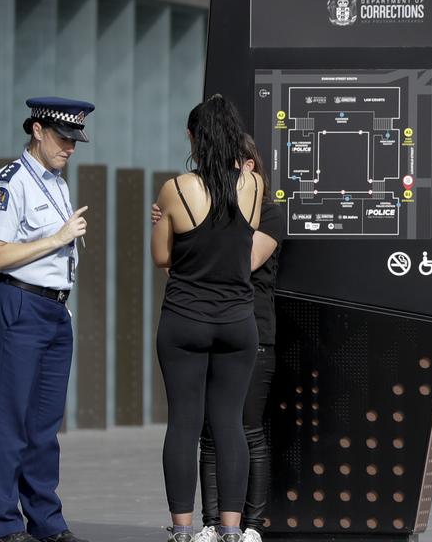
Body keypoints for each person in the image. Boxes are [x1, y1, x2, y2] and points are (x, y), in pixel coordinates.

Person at [0, 98, 94, 542]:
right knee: (9, 422)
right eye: (64, 138)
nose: (71, 147)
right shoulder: (11, 182)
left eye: (75, 140)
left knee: (44, 425)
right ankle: (5, 526)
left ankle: (45, 520)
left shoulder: (57, 182)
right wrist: (58, 237)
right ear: (38, 131)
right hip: (19, 305)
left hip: (53, 310)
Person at [151, 96, 264, 542]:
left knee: (183, 422)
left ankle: (183, 530)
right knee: (230, 423)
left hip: (184, 319)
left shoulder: (176, 189)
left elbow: (162, 256)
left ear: (192, 139)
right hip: (238, 322)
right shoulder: (254, 187)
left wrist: (161, 224)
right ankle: (232, 530)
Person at [177, 137, 284, 542]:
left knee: (247, 429)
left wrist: (198, 243)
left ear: (249, 168)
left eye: (231, 164)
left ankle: (250, 527)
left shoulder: (270, 215)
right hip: (209, 326)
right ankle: (210, 524)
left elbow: (246, 262)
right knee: (210, 431)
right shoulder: (210, 216)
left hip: (252, 332)